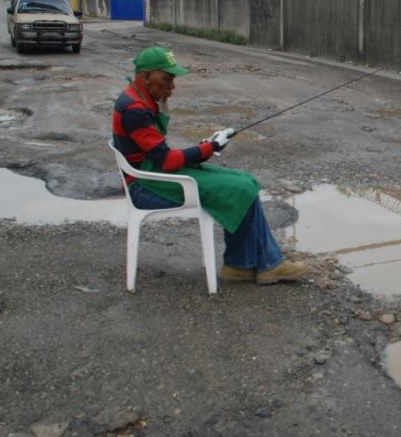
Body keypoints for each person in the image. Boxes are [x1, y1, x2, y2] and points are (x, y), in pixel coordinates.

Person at [112, 46, 307, 284]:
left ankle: (241, 265)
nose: (172, 87)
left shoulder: (138, 98)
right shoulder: (134, 109)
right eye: (167, 80)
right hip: (146, 186)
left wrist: (206, 147)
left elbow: (160, 155)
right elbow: (166, 160)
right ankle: (266, 265)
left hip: (152, 173)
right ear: (145, 77)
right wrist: (209, 148)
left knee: (246, 181)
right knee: (240, 189)